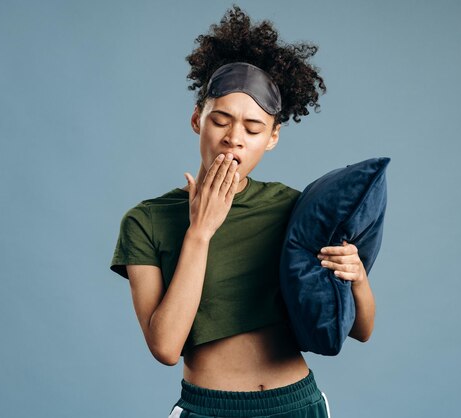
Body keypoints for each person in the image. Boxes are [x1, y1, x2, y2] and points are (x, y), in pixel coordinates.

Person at [110, 6, 376, 417]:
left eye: (253, 129)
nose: (234, 139)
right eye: (221, 120)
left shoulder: (291, 207)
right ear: (198, 119)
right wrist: (200, 231)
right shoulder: (146, 221)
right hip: (208, 408)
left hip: (296, 403)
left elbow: (360, 330)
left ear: (272, 138)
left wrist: (357, 277)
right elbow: (165, 347)